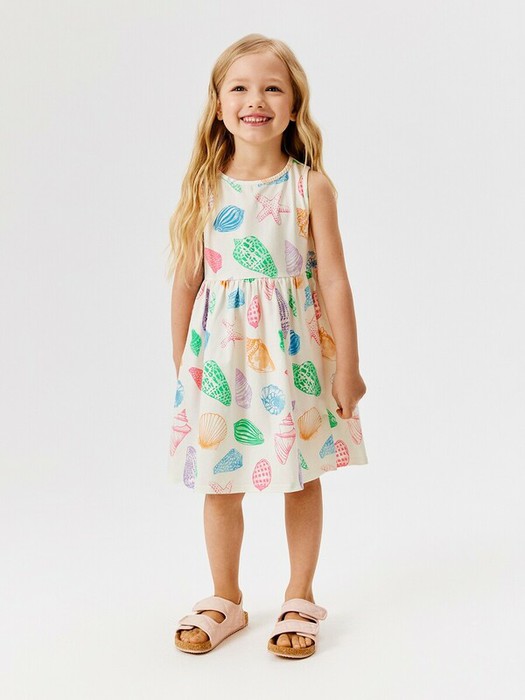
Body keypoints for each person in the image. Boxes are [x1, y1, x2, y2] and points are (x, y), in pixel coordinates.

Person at [165, 33, 369, 659]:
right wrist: (183, 367)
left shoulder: (310, 188)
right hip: (221, 364)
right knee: (220, 482)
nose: (256, 100)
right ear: (218, 104)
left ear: (294, 105)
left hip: (294, 362)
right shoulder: (205, 188)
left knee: (300, 477)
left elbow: (334, 279)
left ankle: (299, 594)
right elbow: (187, 282)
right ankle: (225, 596)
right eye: (241, 88)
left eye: (272, 88)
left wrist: (350, 368)